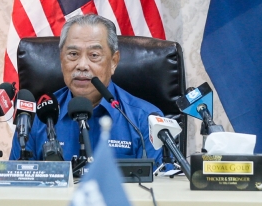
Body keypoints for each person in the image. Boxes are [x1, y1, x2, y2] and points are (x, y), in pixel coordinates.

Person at [10, 13, 164, 166]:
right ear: (61, 59)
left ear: (114, 62)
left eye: (94, 55)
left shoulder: (144, 119)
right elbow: (17, 181)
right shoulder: (36, 117)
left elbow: (159, 186)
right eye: (73, 54)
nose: (82, 65)